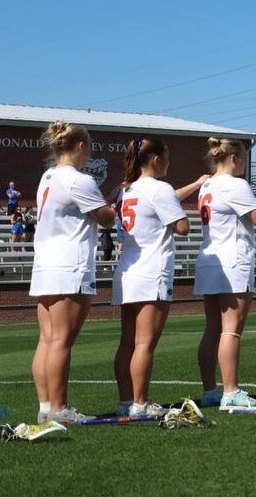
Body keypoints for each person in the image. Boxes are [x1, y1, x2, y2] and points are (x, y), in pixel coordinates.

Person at [29, 121, 117, 424]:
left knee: (47, 339)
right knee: (61, 341)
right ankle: (59, 408)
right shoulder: (80, 180)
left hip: (46, 264)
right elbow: (106, 218)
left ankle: (46, 407)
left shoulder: (48, 176)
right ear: (81, 146)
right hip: (70, 265)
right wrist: (113, 204)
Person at [112, 137, 201, 417]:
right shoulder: (160, 189)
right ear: (155, 159)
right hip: (152, 270)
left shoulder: (124, 190)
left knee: (127, 341)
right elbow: (182, 226)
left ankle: (127, 400)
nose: (169, 163)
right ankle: (141, 403)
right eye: (167, 158)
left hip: (127, 269)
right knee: (144, 343)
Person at [195, 137, 256, 410]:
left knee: (212, 329)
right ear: (234, 158)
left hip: (209, 258)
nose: (245, 165)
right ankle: (231, 391)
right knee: (231, 330)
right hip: (233, 260)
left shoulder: (208, 184)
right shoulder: (236, 184)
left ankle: (210, 389)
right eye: (244, 159)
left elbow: (242, 207)